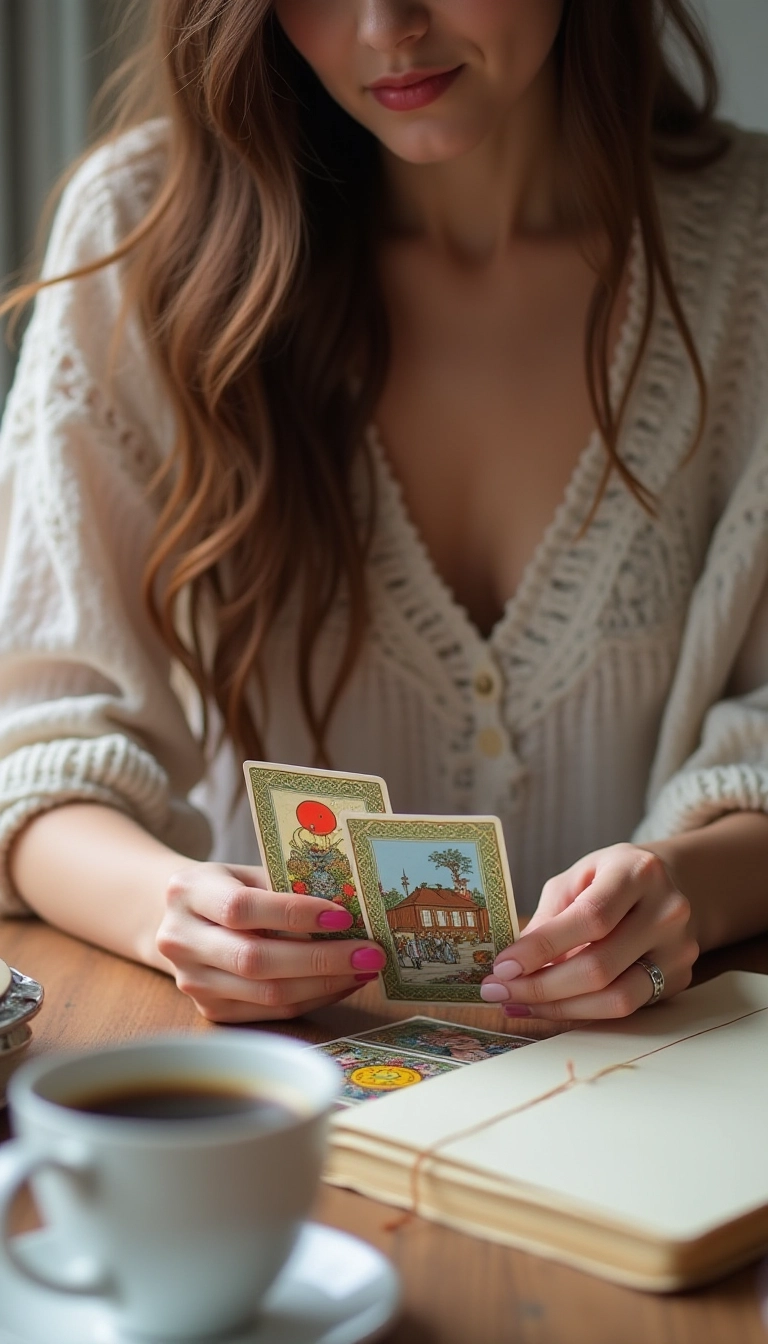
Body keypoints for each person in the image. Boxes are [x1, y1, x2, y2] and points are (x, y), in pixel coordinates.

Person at [0, 0, 767, 1027]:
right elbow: (35, 750)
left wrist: (690, 890)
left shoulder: (751, 251)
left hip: (662, 1081)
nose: (385, 26)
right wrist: (170, 909)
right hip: (282, 1085)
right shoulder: (145, 235)